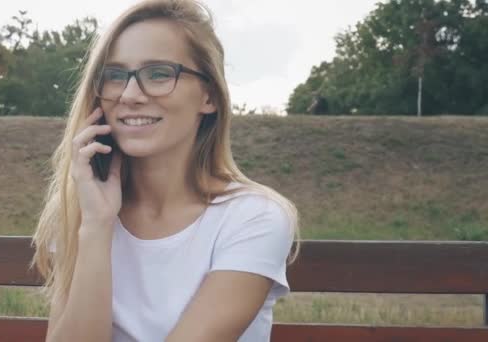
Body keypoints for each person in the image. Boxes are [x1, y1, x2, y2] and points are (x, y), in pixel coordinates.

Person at [31, 1, 300, 341]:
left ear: (209, 96)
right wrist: (97, 226)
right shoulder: (82, 213)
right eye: (114, 75)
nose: (129, 95)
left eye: (158, 73)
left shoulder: (253, 218)